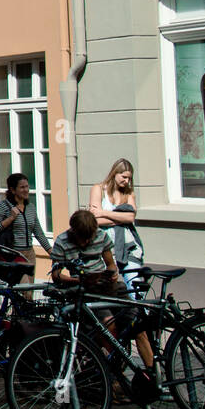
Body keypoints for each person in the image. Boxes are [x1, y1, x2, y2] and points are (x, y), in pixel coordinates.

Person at [50, 209, 155, 386]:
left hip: (107, 286)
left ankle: (152, 378)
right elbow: (56, 274)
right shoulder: (62, 241)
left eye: (89, 238)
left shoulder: (100, 236)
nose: (87, 242)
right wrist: (76, 280)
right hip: (85, 291)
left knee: (138, 325)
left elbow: (110, 264)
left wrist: (112, 273)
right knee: (108, 323)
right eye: (83, 238)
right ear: (74, 232)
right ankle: (114, 378)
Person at [89, 158, 144, 296]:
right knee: (107, 290)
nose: (127, 181)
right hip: (105, 248)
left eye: (129, 178)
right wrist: (120, 218)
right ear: (115, 173)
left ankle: (141, 316)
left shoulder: (129, 193)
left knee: (135, 288)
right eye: (124, 177)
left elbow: (131, 217)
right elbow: (95, 221)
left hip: (128, 247)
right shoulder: (99, 189)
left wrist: (103, 212)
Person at [0, 172, 53, 284]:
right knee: (23, 287)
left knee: (28, 293)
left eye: (27, 186)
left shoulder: (30, 207)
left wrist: (51, 252)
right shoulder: (4, 206)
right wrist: (11, 218)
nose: (26, 190)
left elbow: (38, 232)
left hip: (29, 254)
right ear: (13, 190)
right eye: (22, 187)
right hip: (13, 254)